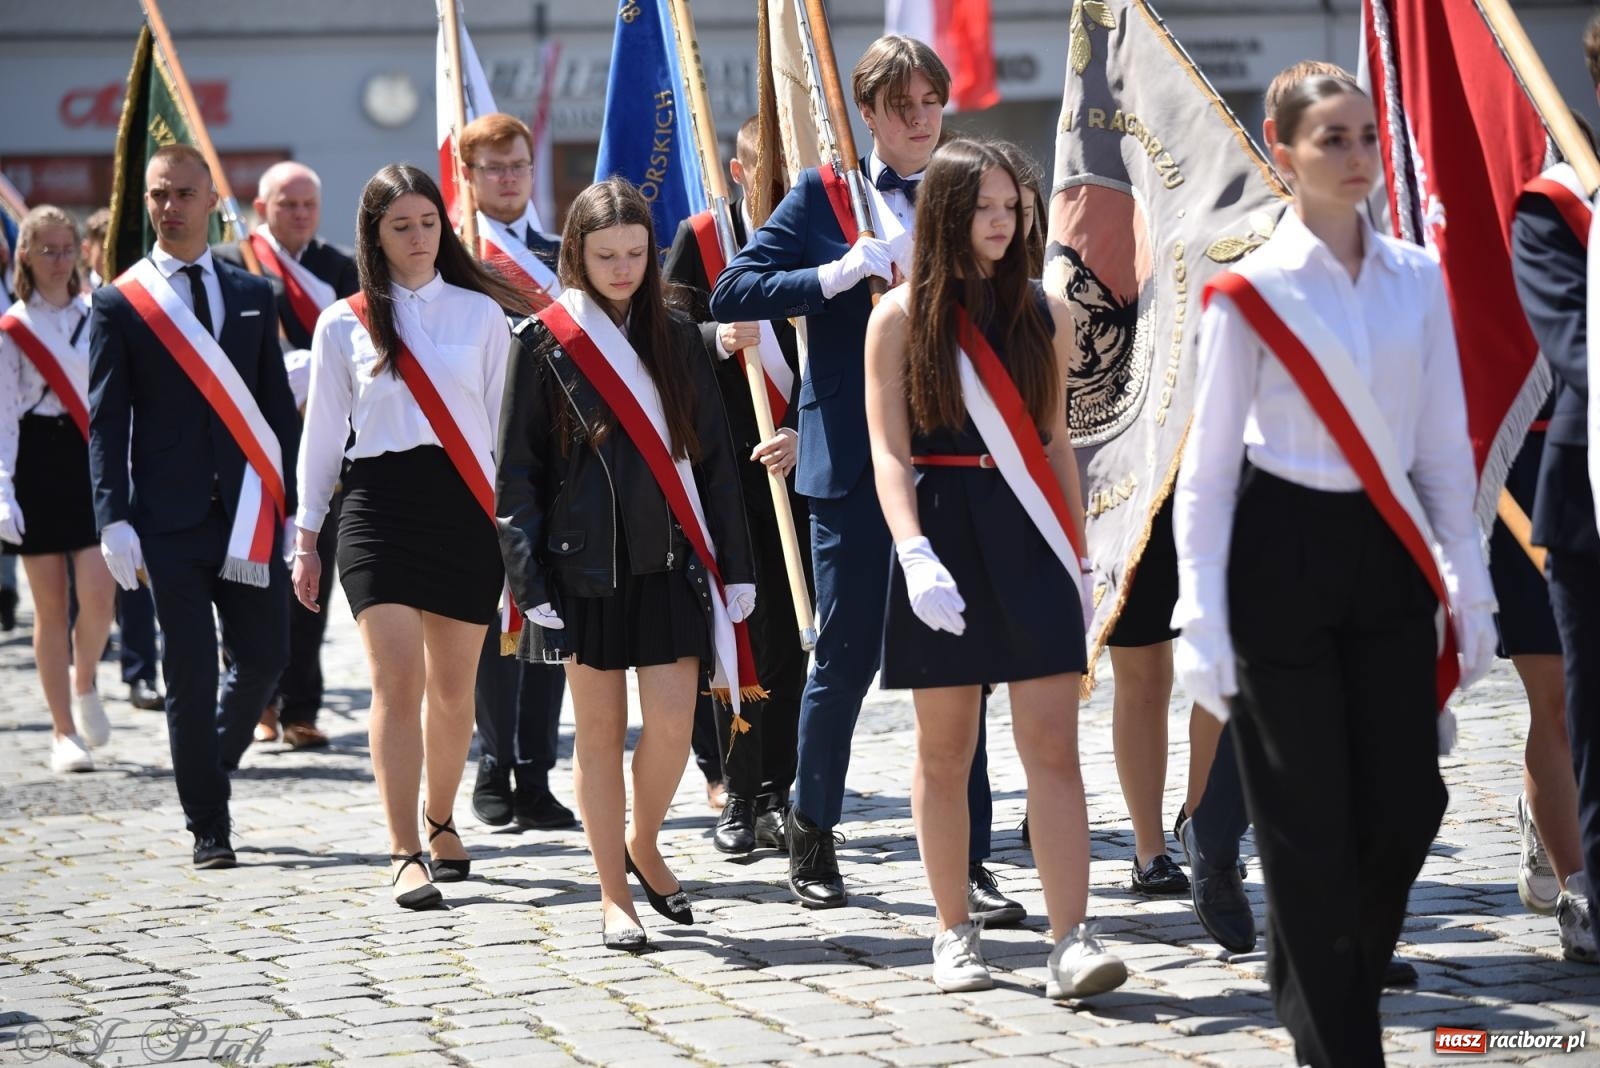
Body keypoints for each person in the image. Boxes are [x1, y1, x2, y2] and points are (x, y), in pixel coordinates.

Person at [1173, 71, 1496, 1066]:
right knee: (1304, 815)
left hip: (1385, 549)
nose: (1357, 155)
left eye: (1365, 136)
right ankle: (1339, 1041)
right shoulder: (1248, 290)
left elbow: (1442, 451)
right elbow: (1209, 472)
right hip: (1280, 548)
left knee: (1407, 802)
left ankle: (1323, 970)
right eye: (1331, 140)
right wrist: (1200, 615)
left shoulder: (1416, 275)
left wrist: (1469, 583)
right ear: (1283, 153)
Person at [711, 35, 1024, 925]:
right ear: (869, 113)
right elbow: (736, 288)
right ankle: (811, 830)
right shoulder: (826, 193)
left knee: (962, 661)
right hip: (852, 452)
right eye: (901, 105)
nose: (920, 118)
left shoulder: (971, 183)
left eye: (931, 101)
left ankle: (968, 860)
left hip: (955, 449)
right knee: (841, 655)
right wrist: (838, 273)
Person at [865, 140, 1127, 998]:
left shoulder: (1043, 310)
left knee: (1053, 746)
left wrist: (1080, 555)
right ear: (945, 213)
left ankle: (1072, 940)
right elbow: (889, 452)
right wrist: (910, 550)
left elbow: (1053, 442)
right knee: (945, 752)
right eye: (984, 207)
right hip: (940, 532)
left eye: (1012, 207)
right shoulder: (898, 317)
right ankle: (953, 933)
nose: (1002, 222)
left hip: (1029, 533)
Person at [496, 178, 754, 949]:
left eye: (637, 253)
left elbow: (713, 462)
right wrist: (526, 577)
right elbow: (518, 473)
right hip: (585, 571)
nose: (622, 268)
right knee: (600, 734)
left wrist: (734, 567)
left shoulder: (677, 331)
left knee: (674, 727)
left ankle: (644, 842)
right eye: (605, 255)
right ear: (577, 253)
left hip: (669, 557)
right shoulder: (541, 340)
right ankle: (615, 893)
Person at [292, 163, 517, 909]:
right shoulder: (342, 322)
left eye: (428, 223)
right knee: (397, 680)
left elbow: (503, 434)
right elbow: (322, 436)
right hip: (376, 509)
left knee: (455, 694)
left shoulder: (481, 314)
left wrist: (517, 532)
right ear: (374, 236)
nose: (418, 238)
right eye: (401, 227)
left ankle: (442, 818)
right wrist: (305, 536)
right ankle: (402, 850)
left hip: (463, 509)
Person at [88, 144, 299, 868]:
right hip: (168, 522)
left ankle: (210, 758)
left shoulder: (251, 293)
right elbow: (107, 416)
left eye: (183, 193)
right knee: (191, 669)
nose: (169, 206)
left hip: (248, 516)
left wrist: (296, 509)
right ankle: (209, 822)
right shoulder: (122, 300)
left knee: (268, 655)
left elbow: (275, 411)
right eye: (156, 194)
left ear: (214, 201)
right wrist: (112, 513)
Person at [664, 114, 812, 855]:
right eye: (767, 176)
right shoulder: (703, 237)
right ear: (738, 171)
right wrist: (714, 339)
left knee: (798, 642)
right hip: (731, 472)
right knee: (744, 638)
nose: (782, 193)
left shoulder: (826, 235)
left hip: (806, 465)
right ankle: (737, 790)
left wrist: (808, 433)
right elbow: (659, 336)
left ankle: (779, 790)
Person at [1510, 12, 1600, 964]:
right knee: (1573, 700)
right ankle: (1587, 889)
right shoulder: (1552, 204)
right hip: (1559, 477)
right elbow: (1572, 344)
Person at [457, 112, 575, 832]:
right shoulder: (453, 259)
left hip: (558, 463)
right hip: (478, 460)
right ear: (467, 178)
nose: (508, 179)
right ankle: (493, 763)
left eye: (518, 165)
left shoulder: (563, 256)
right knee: (493, 625)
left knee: (551, 619)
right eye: (493, 168)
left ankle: (537, 772)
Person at [217, 160, 360, 751]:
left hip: (318, 446)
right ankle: (259, 699)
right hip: (249, 445)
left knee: (311, 577)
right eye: (287, 204)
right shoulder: (232, 265)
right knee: (247, 574)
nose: (299, 214)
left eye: (308, 204)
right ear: (261, 208)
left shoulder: (338, 268)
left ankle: (302, 705)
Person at [0, 205, 116, 772]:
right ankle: (62, 731)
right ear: (25, 255)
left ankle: (85, 679)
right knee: (50, 607)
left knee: (100, 594)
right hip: (36, 460)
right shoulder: (12, 327)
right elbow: (2, 417)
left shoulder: (97, 314)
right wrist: (3, 491)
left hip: (86, 455)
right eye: (46, 250)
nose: (58, 259)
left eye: (66, 248)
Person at [81, 205, 165, 712]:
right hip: (90, 445)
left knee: (141, 570)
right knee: (106, 570)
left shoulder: (146, 299)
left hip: (147, 449)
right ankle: (113, 662)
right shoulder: (87, 303)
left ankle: (142, 670)